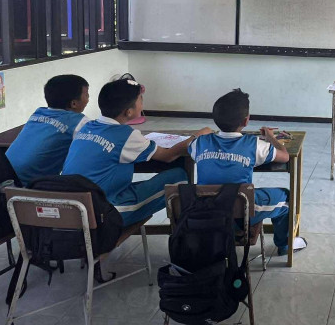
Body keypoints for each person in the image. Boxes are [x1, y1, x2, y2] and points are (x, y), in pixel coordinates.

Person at [62, 78, 210, 226]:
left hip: (71, 209)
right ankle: (183, 230)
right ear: (129, 112)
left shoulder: (87, 127)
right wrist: (196, 136)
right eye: (141, 99)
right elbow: (168, 156)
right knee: (178, 177)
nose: (142, 103)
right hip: (104, 214)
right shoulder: (125, 135)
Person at [190, 89, 307, 255]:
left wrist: (201, 133)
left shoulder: (199, 143)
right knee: (286, 197)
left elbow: (190, 143)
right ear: (246, 120)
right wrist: (271, 137)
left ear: (215, 119)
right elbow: (285, 156)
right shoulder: (254, 144)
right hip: (238, 212)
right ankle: (285, 245)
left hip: (205, 210)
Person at [6, 75, 91, 186]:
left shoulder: (38, 113)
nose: (88, 99)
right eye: (86, 95)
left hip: (1, 173)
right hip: (27, 186)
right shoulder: (80, 122)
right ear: (74, 103)